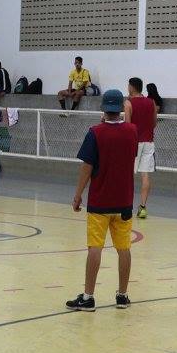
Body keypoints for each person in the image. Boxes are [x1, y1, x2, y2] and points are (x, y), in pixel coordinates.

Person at [67, 88, 138, 312]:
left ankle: (88, 297)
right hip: (124, 200)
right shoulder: (132, 131)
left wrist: (78, 195)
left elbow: (87, 167)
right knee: (124, 248)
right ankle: (122, 295)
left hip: (100, 201)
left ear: (103, 108)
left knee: (95, 248)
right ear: (121, 108)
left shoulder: (95, 133)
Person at [123, 77, 157, 220]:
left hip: (134, 142)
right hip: (148, 142)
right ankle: (142, 207)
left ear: (131, 87)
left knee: (127, 175)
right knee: (145, 175)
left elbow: (127, 126)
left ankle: (126, 206)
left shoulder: (128, 103)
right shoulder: (151, 102)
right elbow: (154, 123)